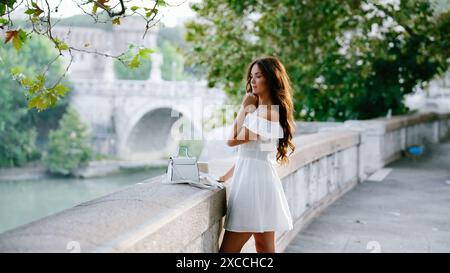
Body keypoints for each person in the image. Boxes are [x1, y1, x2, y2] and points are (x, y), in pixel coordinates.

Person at [217, 55, 296, 253]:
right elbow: (251, 155)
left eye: (258, 76)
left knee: (228, 252)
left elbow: (231, 140)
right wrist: (225, 177)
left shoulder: (266, 113)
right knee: (264, 249)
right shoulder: (265, 111)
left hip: (253, 187)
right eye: (251, 76)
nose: (252, 80)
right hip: (259, 181)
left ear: (270, 78)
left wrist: (244, 108)